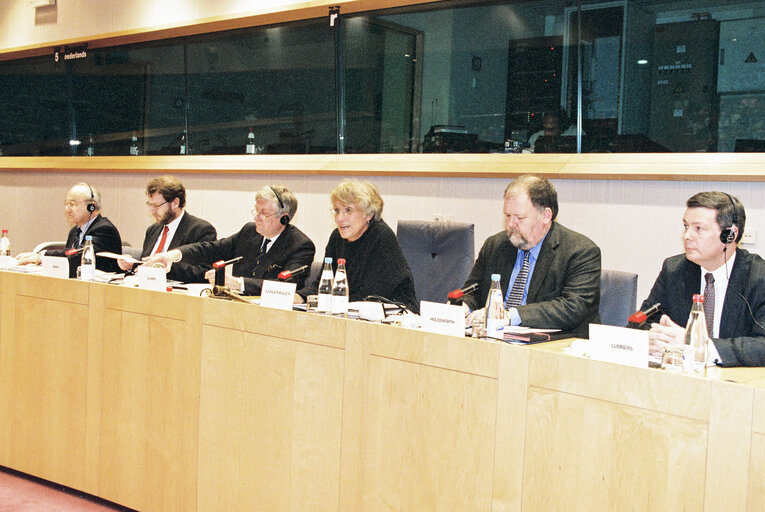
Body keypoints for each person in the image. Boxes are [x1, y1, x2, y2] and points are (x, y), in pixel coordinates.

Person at [461, 175, 600, 338]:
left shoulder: (581, 252)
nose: (511, 224)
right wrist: (465, 306)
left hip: (553, 348)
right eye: (507, 216)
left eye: (519, 217)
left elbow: (571, 308)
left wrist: (508, 316)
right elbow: (473, 291)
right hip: (494, 342)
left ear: (546, 216)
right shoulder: (495, 245)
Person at [641, 192, 765, 367]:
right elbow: (642, 323)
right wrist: (655, 339)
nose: (687, 236)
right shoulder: (674, 269)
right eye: (685, 226)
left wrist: (701, 347)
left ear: (729, 235)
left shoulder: (759, 276)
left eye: (698, 228)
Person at [143, 185, 315, 295]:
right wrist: (172, 255)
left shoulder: (300, 245)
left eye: (264, 213)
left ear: (284, 218)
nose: (257, 218)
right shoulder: (249, 232)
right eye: (256, 211)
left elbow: (286, 287)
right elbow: (212, 249)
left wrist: (238, 283)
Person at [296, 179, 418, 313]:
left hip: (393, 316)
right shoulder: (337, 237)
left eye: (348, 210)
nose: (340, 218)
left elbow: (370, 296)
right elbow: (323, 285)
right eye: (337, 210)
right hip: (348, 311)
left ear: (369, 214)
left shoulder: (382, 237)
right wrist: (298, 297)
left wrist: (327, 302)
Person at [117, 175, 216, 283]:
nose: (152, 211)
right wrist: (130, 265)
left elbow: (206, 273)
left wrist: (162, 267)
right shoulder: (153, 230)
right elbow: (146, 264)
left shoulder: (201, 230)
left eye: (157, 205)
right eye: (150, 205)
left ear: (175, 203)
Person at [17, 182, 122, 277]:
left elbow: (77, 256)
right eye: (66, 204)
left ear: (91, 206)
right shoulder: (75, 231)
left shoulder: (104, 230)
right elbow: (68, 256)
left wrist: (42, 256)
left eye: (72, 204)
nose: (67, 209)